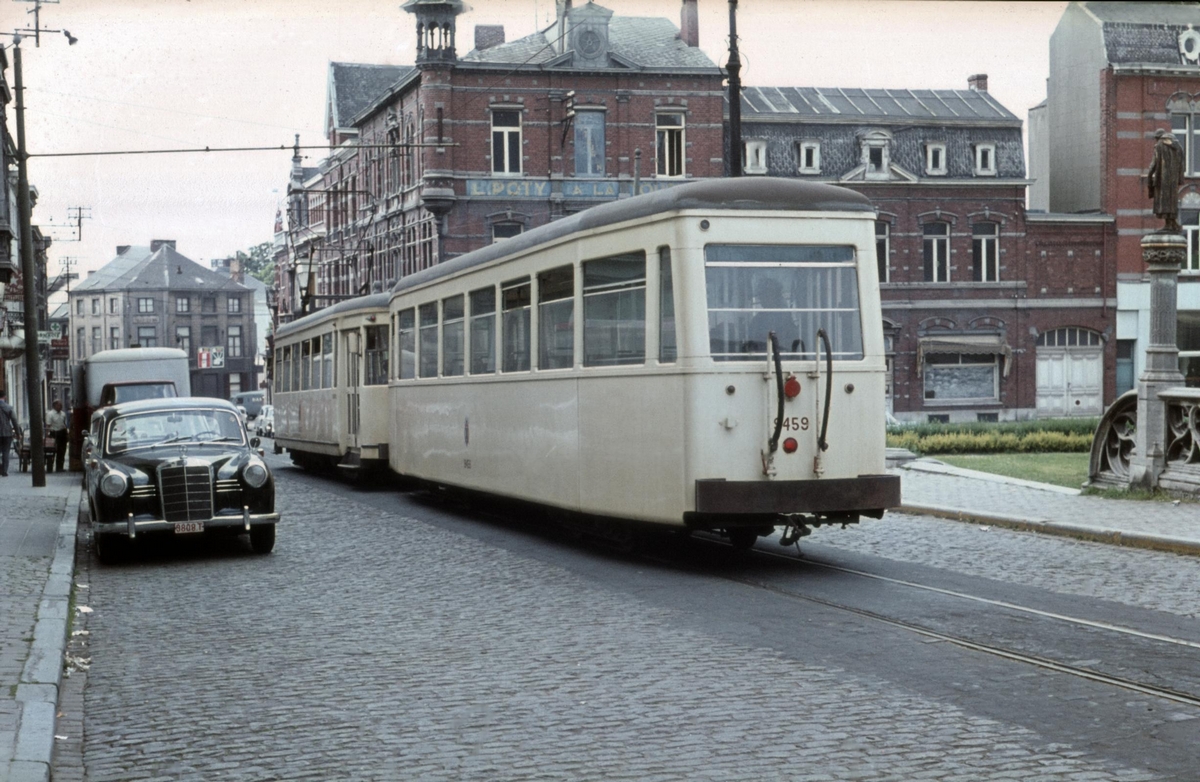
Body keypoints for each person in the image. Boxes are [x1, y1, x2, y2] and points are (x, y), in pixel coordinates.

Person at [747, 277, 800, 354]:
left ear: (775, 295)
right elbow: (751, 343)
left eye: (766, 294)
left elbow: (791, 339)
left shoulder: (785, 316)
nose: (762, 298)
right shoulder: (757, 320)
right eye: (761, 295)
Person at [1148, 128, 1185, 233]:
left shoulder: (1159, 146)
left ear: (1158, 137)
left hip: (1162, 179)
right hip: (1173, 180)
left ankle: (1168, 225)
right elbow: (1182, 161)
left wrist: (1150, 175)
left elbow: (1154, 163)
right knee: (1172, 201)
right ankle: (1172, 223)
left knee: (1163, 201)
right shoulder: (1177, 145)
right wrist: (1180, 176)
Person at [0, 389, 19, 477]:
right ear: (5, 397)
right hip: (7, 432)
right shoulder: (9, 407)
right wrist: (18, 433)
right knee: (6, 452)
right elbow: (14, 420)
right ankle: (4, 471)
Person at [46, 400, 69, 473]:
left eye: (61, 405)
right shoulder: (50, 414)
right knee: (53, 450)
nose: (61, 407)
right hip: (54, 433)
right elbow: (48, 425)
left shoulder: (63, 414)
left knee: (62, 450)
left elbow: (64, 424)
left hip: (62, 432)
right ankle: (50, 466)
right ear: (54, 406)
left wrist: (67, 434)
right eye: (59, 405)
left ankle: (60, 467)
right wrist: (47, 435)